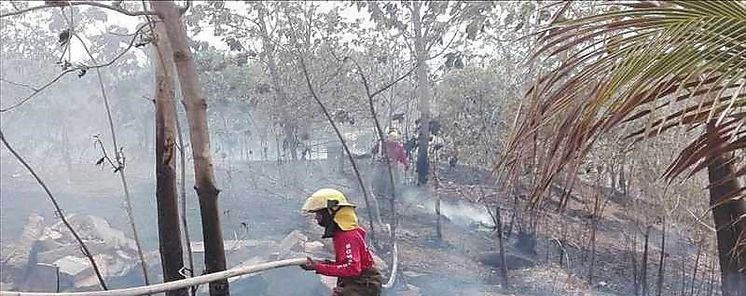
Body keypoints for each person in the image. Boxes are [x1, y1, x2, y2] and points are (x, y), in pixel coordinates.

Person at [299, 188, 382, 296]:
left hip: (362, 285)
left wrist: (318, 267)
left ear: (330, 212)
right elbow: (345, 265)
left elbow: (352, 268)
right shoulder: (341, 235)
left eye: (319, 213)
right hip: (358, 283)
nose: (316, 218)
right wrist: (320, 265)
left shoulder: (348, 236)